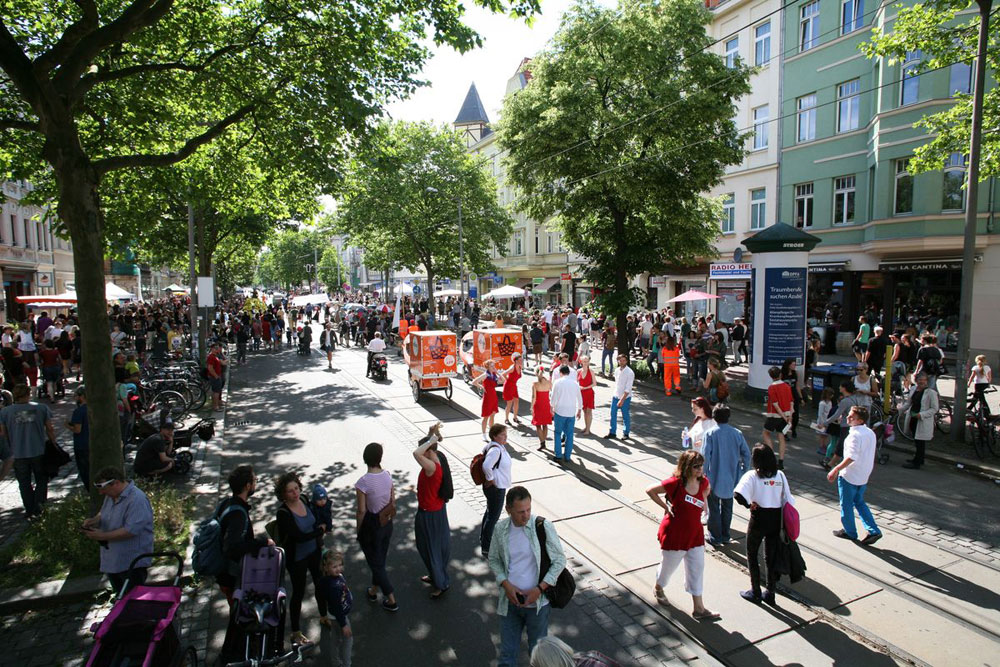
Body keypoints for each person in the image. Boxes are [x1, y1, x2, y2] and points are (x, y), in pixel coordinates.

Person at [488, 486, 567, 667]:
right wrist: (506, 584)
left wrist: (540, 589)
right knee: (507, 657)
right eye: (520, 512)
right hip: (510, 603)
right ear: (508, 509)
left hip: (538, 605)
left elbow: (559, 561)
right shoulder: (501, 529)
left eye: (528, 510)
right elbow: (493, 559)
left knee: (539, 657)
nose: (526, 515)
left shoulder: (542, 526)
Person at [645, 450, 718, 620]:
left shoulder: (703, 482)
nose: (700, 469)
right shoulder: (675, 483)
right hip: (675, 535)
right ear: (686, 467)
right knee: (667, 568)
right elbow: (650, 490)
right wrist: (665, 506)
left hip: (695, 535)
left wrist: (703, 507)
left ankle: (699, 608)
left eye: (701, 465)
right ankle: (658, 587)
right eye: (696, 466)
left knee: (697, 569)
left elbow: (707, 491)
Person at [733, 444, 794, 606]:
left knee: (752, 554)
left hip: (759, 519)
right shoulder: (780, 475)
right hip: (776, 520)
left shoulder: (752, 476)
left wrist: (749, 505)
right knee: (770, 556)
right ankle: (771, 592)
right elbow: (789, 500)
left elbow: (738, 494)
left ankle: (755, 590)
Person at [82, 466, 155, 594]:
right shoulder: (111, 496)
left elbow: (130, 530)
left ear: (115, 483)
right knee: (120, 598)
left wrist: (102, 536)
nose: (101, 493)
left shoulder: (137, 499)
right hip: (113, 561)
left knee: (132, 599)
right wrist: (96, 520)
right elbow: (104, 512)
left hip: (131, 562)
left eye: (103, 489)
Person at [274, 471, 327, 645]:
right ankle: (296, 632)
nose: (295, 493)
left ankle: (324, 615)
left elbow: (314, 518)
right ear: (283, 494)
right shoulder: (283, 513)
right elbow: (298, 536)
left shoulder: (304, 499)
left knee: (320, 583)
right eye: (290, 491)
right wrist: (320, 531)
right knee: (298, 592)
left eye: (296, 488)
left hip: (314, 551)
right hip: (297, 557)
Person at [0, 383, 57, 519]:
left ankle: (29, 508)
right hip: (38, 450)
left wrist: (9, 447)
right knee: (42, 479)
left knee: (24, 482)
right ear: (28, 394)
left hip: (18, 453)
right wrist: (53, 442)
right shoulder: (41, 408)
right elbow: (49, 428)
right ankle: (39, 506)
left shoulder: (5, 412)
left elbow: (3, 433)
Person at [829, 406, 883, 545]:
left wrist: (836, 469)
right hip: (863, 474)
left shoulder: (854, 435)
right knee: (859, 502)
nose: (847, 418)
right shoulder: (869, 432)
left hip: (850, 475)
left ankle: (849, 531)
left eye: (851, 417)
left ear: (859, 420)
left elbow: (851, 457)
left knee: (846, 504)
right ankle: (873, 530)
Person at [354, 443, 398, 612]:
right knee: (379, 559)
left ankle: (392, 599)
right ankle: (373, 590)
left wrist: (359, 530)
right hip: (387, 523)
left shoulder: (362, 483)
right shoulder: (387, 475)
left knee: (376, 563)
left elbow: (361, 511)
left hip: (372, 527)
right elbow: (392, 501)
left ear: (365, 459)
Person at [702, 405, 750, 547]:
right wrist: (742, 471)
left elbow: (705, 457)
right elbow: (747, 455)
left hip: (713, 477)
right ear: (728, 417)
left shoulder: (710, 434)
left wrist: (704, 475)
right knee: (728, 508)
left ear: (714, 417)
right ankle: (725, 535)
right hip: (731, 478)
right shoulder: (737, 433)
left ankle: (715, 537)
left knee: (714, 508)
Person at [413, 424, 451, 598]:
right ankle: (437, 576)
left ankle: (441, 584)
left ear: (427, 451)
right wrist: (431, 435)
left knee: (430, 548)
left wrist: (432, 439)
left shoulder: (432, 467)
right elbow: (427, 448)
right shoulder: (438, 457)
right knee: (432, 547)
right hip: (436, 509)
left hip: (430, 513)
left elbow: (416, 453)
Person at [480, 424, 513, 557]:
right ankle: (487, 547)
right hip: (496, 488)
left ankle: (484, 539)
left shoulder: (498, 446)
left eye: (506, 434)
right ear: (495, 436)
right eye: (503, 435)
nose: (506, 437)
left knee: (489, 513)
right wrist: (491, 479)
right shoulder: (496, 450)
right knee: (493, 517)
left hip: (497, 487)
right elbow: (486, 466)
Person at [319, 550, 354, 667]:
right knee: (348, 641)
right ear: (326, 567)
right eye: (334, 566)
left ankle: (335, 661)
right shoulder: (333, 586)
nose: (338, 568)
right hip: (339, 617)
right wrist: (344, 624)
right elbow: (337, 607)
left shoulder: (332, 578)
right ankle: (346, 664)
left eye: (340, 565)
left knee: (335, 638)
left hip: (334, 616)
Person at [901, 373, 938, 470]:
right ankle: (918, 458)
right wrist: (899, 410)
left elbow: (934, 409)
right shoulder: (913, 389)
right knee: (916, 439)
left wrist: (922, 415)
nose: (921, 382)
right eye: (920, 380)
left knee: (920, 441)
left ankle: (917, 462)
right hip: (913, 418)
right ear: (916, 381)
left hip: (922, 420)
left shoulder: (931, 392)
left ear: (927, 381)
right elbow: (909, 403)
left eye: (924, 380)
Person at [550, 365, 582, 463]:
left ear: (560, 372)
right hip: (571, 412)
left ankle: (558, 455)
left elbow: (553, 397)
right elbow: (579, 398)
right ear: (569, 372)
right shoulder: (575, 383)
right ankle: (567, 456)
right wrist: (579, 409)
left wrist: (552, 407)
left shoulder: (557, 382)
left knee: (557, 433)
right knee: (569, 434)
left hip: (560, 411)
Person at [762, 366, 793, 469]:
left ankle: (772, 458)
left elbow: (775, 405)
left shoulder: (772, 387)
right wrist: (789, 416)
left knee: (766, 433)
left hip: (774, 415)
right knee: (781, 437)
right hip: (787, 414)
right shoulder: (787, 386)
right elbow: (791, 402)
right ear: (780, 375)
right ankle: (781, 461)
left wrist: (783, 416)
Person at [473, 360, 504, 442]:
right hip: (487, 397)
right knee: (486, 417)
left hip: (493, 396)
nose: (494, 367)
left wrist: (497, 372)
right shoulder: (486, 374)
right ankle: (483, 434)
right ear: (488, 367)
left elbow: (504, 381)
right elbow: (474, 382)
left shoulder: (493, 374)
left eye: (494, 365)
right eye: (492, 366)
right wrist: (481, 387)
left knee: (492, 415)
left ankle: (492, 433)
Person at [67, 385, 91, 491]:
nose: (75, 398)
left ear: (82, 396)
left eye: (76, 396)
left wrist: (67, 425)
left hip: (82, 445)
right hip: (93, 443)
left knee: (85, 471)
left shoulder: (79, 411)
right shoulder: (94, 408)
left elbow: (77, 429)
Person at [605, 354, 634, 440]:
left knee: (625, 415)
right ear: (618, 361)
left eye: (623, 360)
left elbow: (628, 388)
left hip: (625, 397)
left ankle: (626, 433)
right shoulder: (617, 370)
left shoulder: (630, 372)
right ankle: (612, 432)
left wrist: (622, 399)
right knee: (612, 414)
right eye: (620, 360)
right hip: (616, 395)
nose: (622, 362)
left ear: (626, 361)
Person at [530, 367, 553, 451]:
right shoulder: (549, 383)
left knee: (538, 425)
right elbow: (552, 394)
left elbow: (534, 397)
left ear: (536, 373)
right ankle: (544, 442)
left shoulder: (535, 384)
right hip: (546, 404)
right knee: (545, 424)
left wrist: (531, 407)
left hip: (538, 406)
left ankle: (542, 442)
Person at [780, 358, 803, 438]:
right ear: (788, 365)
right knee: (786, 416)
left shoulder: (794, 373)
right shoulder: (782, 374)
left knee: (795, 416)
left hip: (794, 396)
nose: (794, 366)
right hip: (785, 397)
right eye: (793, 364)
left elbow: (797, 386)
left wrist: (801, 397)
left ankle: (793, 429)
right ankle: (785, 432)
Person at [504, 353, 524, 426]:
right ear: (515, 361)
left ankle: (515, 417)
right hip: (509, 386)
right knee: (509, 403)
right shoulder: (512, 367)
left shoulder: (520, 367)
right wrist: (508, 381)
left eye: (521, 359)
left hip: (514, 386)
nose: (521, 361)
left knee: (516, 401)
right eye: (520, 360)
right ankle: (506, 419)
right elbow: (503, 374)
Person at [577, 356, 595, 435]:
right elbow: (575, 382)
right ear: (581, 362)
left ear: (588, 362)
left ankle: (588, 429)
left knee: (589, 411)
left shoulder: (591, 371)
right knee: (584, 411)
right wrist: (579, 387)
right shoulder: (578, 371)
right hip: (581, 394)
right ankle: (586, 426)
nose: (585, 363)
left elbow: (594, 383)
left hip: (589, 393)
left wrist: (585, 387)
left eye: (587, 361)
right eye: (584, 361)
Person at [207, 341, 227, 412]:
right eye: (215, 348)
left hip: (217, 376)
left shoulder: (215, 356)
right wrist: (216, 376)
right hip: (215, 377)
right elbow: (210, 367)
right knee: (216, 392)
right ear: (212, 349)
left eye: (217, 348)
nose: (217, 349)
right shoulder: (211, 357)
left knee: (216, 391)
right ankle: (216, 407)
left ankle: (216, 404)